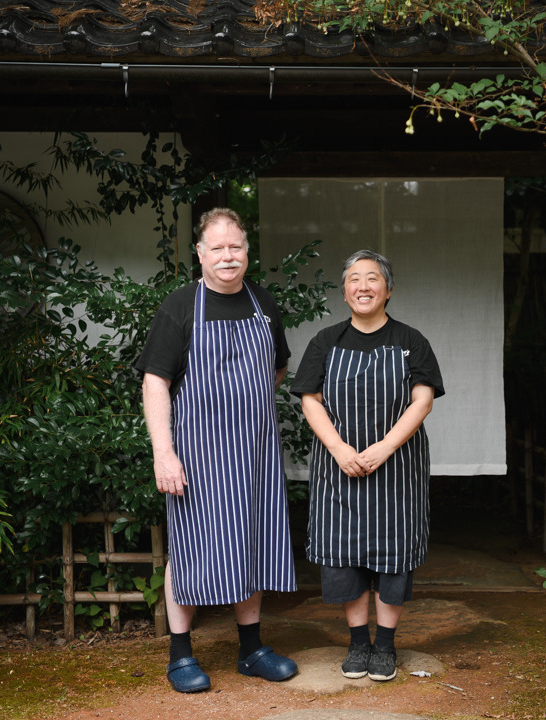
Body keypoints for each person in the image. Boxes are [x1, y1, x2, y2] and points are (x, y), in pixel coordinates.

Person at [136, 208, 297, 693]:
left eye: (236, 247)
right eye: (218, 248)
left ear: (247, 252)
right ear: (200, 254)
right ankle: (180, 655)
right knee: (189, 547)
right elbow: (154, 381)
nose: (228, 256)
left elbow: (278, 368)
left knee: (253, 541)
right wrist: (165, 452)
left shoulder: (263, 303)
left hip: (254, 453)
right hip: (198, 454)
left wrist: (245, 406)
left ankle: (251, 650)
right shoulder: (181, 305)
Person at [291, 249, 444, 682]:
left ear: (388, 289)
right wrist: (340, 448)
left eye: (372, 278)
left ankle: (385, 648)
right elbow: (310, 399)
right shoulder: (325, 342)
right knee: (344, 555)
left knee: (393, 555)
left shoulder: (411, 340)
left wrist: (386, 447)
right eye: (354, 279)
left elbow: (423, 400)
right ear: (344, 292)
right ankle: (358, 644)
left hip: (397, 468)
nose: (363, 286)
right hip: (338, 466)